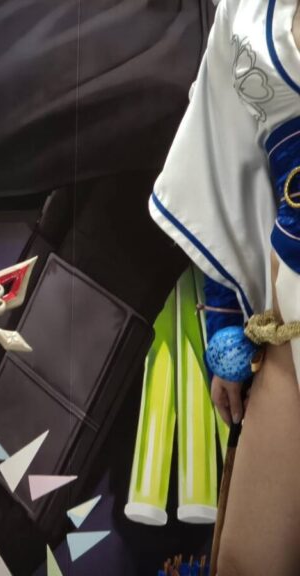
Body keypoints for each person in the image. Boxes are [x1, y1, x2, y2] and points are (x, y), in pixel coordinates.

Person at [150, 0, 300, 573]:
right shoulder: (246, 12)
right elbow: (213, 166)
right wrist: (223, 324)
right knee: (246, 561)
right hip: (291, 318)